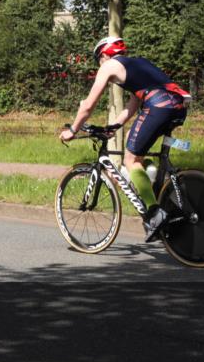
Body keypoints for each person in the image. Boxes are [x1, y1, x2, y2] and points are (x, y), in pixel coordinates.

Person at [59, 37, 191, 242]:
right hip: (178, 105)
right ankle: (154, 178)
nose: (99, 65)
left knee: (130, 159)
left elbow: (88, 105)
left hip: (158, 105)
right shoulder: (138, 64)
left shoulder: (109, 65)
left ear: (103, 55)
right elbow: (133, 105)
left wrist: (73, 130)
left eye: (98, 61)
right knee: (133, 139)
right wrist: (114, 127)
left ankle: (154, 213)